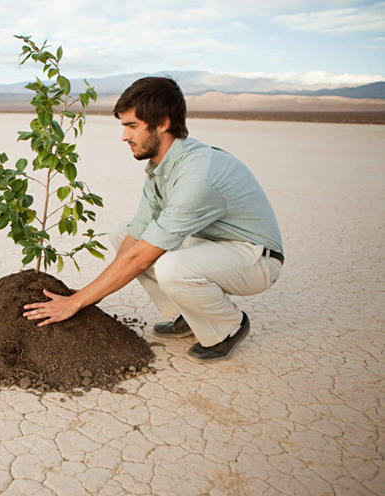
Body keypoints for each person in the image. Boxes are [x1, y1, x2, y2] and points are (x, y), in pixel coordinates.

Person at [22, 76, 284, 362]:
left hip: (255, 257)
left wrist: (80, 301)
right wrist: (87, 295)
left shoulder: (198, 174)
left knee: (173, 266)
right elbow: (136, 236)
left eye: (132, 126)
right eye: (124, 126)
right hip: (213, 244)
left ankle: (228, 327)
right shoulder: (159, 167)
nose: (124, 136)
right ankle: (186, 314)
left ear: (163, 123)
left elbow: (141, 258)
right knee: (123, 234)